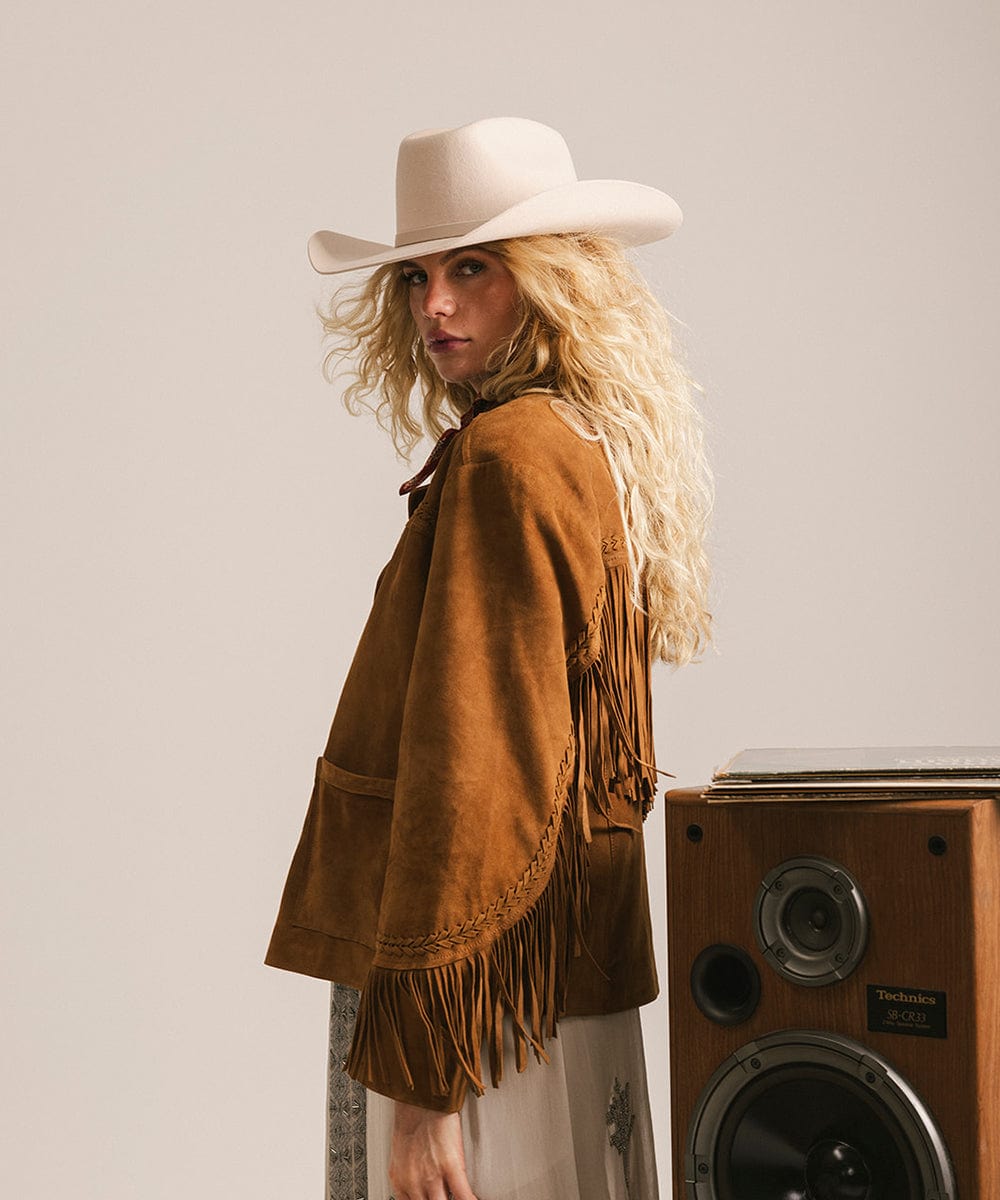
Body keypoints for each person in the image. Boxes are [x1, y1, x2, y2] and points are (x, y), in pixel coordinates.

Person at [266, 117, 712, 1200]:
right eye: (417, 276)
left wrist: (423, 1082)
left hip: (473, 997)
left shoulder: (509, 454)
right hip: (554, 972)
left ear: (552, 279)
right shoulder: (583, 440)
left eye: (473, 268)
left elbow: (477, 775)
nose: (435, 305)